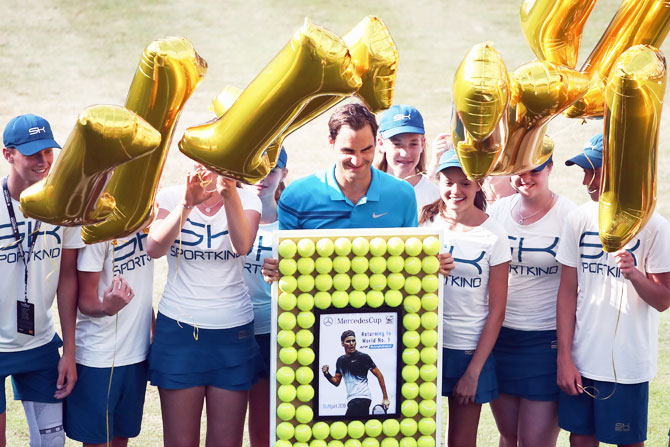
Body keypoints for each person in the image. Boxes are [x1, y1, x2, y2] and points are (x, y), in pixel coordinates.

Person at [555, 133, 670, 447]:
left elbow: (663, 300)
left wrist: (634, 275)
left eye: (594, 171)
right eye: (584, 172)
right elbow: (566, 292)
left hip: (628, 366)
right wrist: (564, 358)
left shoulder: (654, 226)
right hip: (581, 359)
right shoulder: (578, 218)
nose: (586, 182)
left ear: (620, 171)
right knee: (579, 439)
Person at [146, 164, 262, 446]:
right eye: (203, 161)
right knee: (180, 441)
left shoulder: (248, 199)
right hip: (179, 331)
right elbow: (154, 248)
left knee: (226, 441)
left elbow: (241, 245)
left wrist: (229, 193)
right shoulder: (172, 197)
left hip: (233, 333)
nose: (208, 170)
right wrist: (187, 204)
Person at [263, 102, 422, 282]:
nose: (357, 160)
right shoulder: (295, 197)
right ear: (331, 143)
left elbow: (411, 261)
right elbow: (288, 266)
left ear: (376, 143)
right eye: (348, 151)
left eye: (366, 150)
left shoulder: (403, 195)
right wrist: (276, 271)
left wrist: (432, 262)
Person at [0, 114, 82, 447]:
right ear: (9, 155)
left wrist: (70, 351)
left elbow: (67, 279)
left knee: (52, 443)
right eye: (33, 153)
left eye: (48, 151)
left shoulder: (64, 204)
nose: (43, 160)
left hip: (40, 343)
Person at [420, 149, 510, 447]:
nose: (455, 190)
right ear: (438, 181)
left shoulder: (495, 235)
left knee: (461, 441)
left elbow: (497, 311)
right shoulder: (425, 225)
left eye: (465, 183)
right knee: (418, 435)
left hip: (469, 350)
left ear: (479, 184)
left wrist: (474, 371)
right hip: (423, 347)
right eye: (448, 182)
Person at [487, 155, 577, 446]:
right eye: (517, 171)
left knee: (535, 441)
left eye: (534, 170)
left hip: (545, 341)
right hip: (499, 338)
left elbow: (576, 286)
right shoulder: (497, 211)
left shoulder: (569, 216)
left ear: (550, 167)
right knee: (509, 436)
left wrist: (565, 355)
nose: (525, 177)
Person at [63, 230, 154, 446]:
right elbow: (85, 300)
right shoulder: (98, 230)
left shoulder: (147, 222)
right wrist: (106, 308)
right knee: (97, 440)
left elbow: (141, 289)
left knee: (122, 436)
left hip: (136, 353)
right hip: (99, 358)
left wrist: (153, 330)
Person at [241, 147, 288, 447]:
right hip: (235, 326)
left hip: (276, 331)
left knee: (270, 417)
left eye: (271, 169)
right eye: (256, 169)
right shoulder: (229, 213)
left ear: (284, 173)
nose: (263, 177)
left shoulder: (292, 222)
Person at [374, 104, 440, 210]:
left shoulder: (435, 196)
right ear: (381, 144)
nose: (405, 153)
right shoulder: (365, 190)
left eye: (413, 144)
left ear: (422, 144)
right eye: (397, 144)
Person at [321, 330, 390, 417]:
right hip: (352, 400)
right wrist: (327, 374)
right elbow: (336, 382)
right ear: (342, 344)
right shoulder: (340, 361)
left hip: (363, 397)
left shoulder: (364, 357)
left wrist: (385, 398)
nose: (352, 343)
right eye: (348, 341)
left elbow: (379, 375)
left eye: (353, 340)